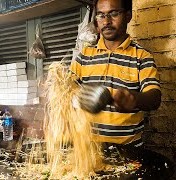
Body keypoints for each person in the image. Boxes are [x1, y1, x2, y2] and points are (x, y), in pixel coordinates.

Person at [69, 0, 161, 148]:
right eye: (101, 15)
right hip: (88, 151)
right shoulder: (84, 55)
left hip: (129, 151)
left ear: (128, 16)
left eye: (114, 13)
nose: (106, 21)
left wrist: (134, 99)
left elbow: (154, 98)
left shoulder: (142, 56)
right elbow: (67, 90)